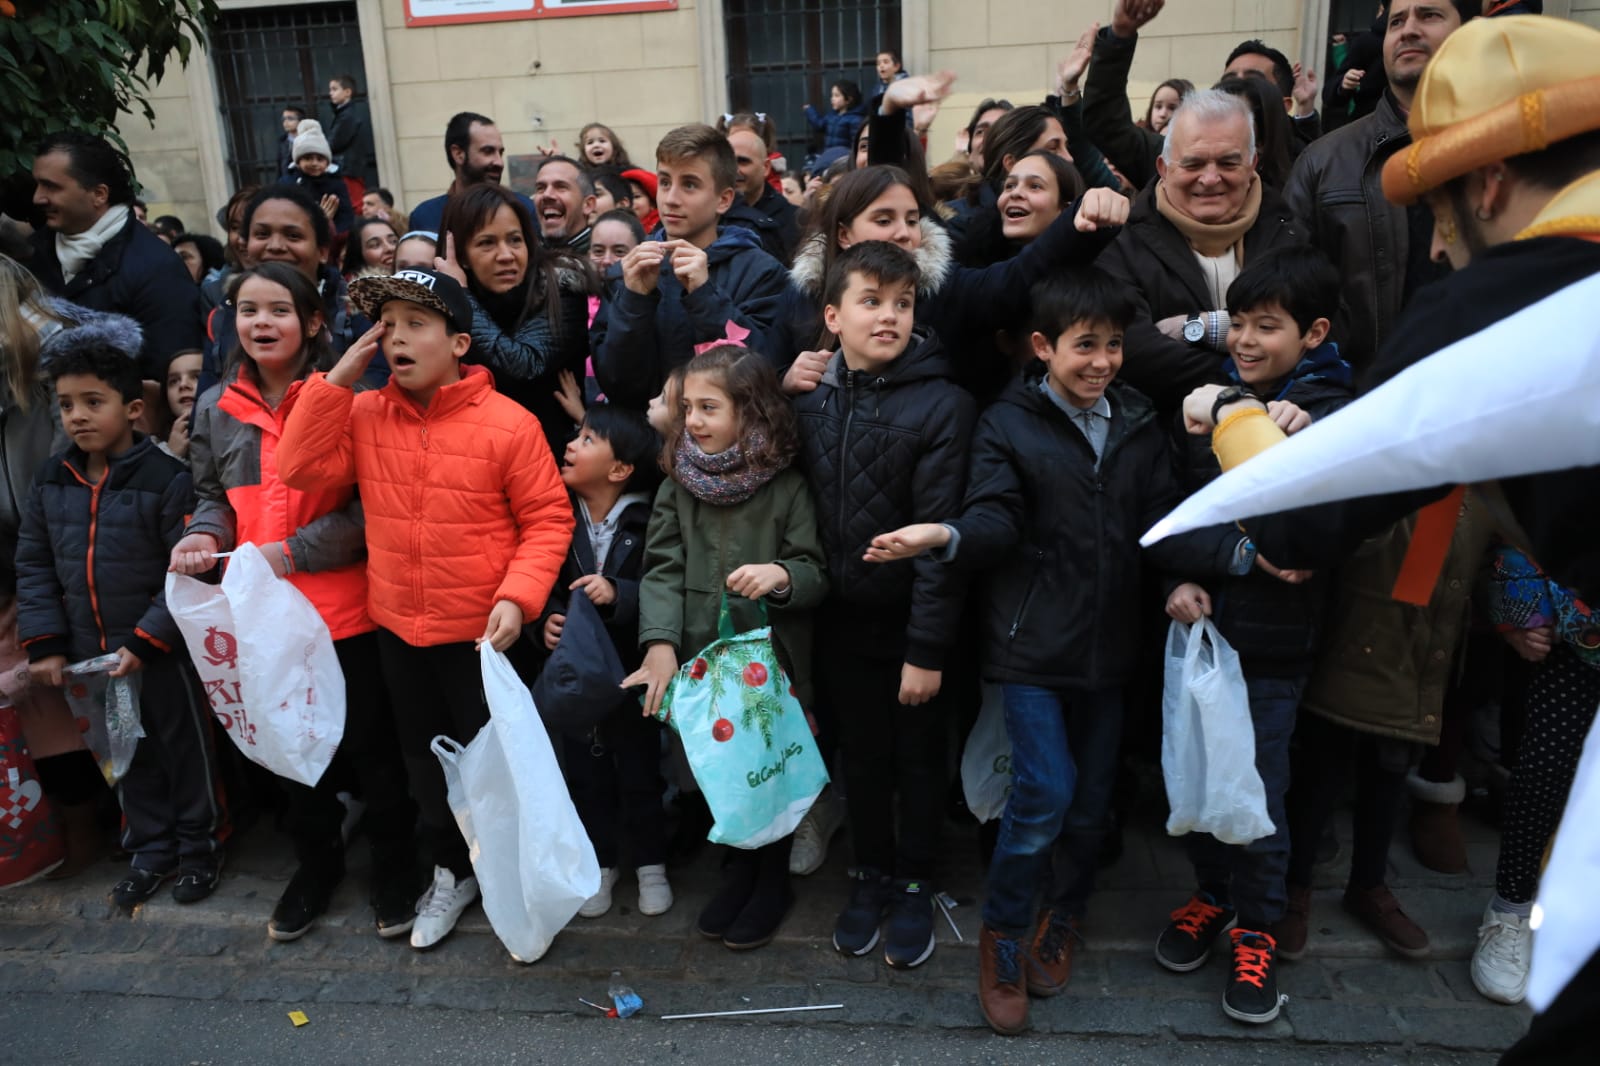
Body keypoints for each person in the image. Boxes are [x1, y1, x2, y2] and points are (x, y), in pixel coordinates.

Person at [1171, 16, 1600, 1059]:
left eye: (1440, 207)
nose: (1440, 246)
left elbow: (1304, 519)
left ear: (1489, 181)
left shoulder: (1507, 292)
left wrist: (1224, 414)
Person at [863, 268, 1243, 1035]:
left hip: (1112, 648)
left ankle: (1061, 917)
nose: (1099, 360)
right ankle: (1002, 934)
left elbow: (1163, 518)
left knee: (1092, 806)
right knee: (1042, 796)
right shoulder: (1007, 423)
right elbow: (995, 518)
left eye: (1110, 346)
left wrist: (1197, 570)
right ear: (1043, 348)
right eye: (1082, 347)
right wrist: (950, 535)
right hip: (1031, 647)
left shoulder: (1139, 417)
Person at [277, 267, 572, 952]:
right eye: (388, 327)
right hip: (399, 633)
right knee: (424, 768)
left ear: (460, 342)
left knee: (495, 767)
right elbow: (297, 469)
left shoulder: (509, 423)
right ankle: (450, 872)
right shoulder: (364, 411)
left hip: (482, 638)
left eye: (417, 325)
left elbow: (548, 518)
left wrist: (518, 597)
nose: (397, 340)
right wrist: (336, 380)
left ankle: (516, 876)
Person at [170, 261, 419, 943]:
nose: (262, 323)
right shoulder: (216, 406)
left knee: (372, 748)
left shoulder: (353, 395)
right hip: (261, 617)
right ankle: (316, 865)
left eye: (278, 310)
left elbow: (376, 508)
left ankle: (397, 866)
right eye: (248, 310)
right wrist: (200, 538)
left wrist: (293, 554)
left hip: (347, 610)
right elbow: (212, 498)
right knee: (285, 750)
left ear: (312, 322)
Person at [1155, 247, 1358, 1026]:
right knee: (1202, 775)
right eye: (1237, 322)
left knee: (1259, 791)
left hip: (1276, 648)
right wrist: (1187, 572)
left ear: (1312, 333)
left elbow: (1298, 539)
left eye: (1265, 326)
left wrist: (1254, 429)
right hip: (1205, 633)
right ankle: (1210, 895)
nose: (1243, 339)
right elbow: (1171, 515)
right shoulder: (1212, 400)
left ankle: (1257, 928)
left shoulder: (1332, 411)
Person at [792, 242, 975, 970]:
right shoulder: (810, 399)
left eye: (903, 303)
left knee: (920, 761)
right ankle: (868, 873)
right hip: (839, 620)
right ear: (833, 316)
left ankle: (914, 878)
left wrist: (926, 650)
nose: (890, 316)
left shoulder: (943, 404)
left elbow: (939, 542)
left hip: (911, 623)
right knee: (860, 759)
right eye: (872, 301)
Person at [622, 344, 827, 951]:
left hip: (771, 667)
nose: (694, 422)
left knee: (769, 770)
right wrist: (659, 643)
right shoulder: (678, 483)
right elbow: (660, 567)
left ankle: (771, 880)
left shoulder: (786, 487)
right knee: (718, 772)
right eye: (688, 408)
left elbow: (814, 568)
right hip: (700, 663)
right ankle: (738, 869)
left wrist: (782, 576)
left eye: (709, 407)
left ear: (753, 413)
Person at [15, 338, 225, 911]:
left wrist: (146, 640)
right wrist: (48, 644)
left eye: (92, 401)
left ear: (132, 409)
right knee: (122, 752)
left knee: (184, 751)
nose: (77, 416)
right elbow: (33, 562)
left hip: (157, 653)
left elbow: (184, 573)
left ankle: (200, 848)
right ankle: (150, 851)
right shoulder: (52, 479)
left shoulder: (166, 478)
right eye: (65, 405)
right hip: (92, 654)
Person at [777, 163, 1127, 403]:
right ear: (844, 234)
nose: (903, 233)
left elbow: (1015, 279)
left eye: (912, 220)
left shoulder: (945, 288)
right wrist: (785, 381)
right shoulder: (801, 294)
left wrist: (1077, 222)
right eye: (884, 220)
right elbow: (756, 378)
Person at [0, 256, 129, 881]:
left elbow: (58, 485)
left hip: (56, 560)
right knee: (37, 707)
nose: (78, 411)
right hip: (22, 560)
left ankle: (118, 825)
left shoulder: (47, 363)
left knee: (82, 708)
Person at [1284, 0, 1477, 375]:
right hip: (1363, 395)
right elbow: (1289, 293)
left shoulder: (1518, 149)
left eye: (1429, 15)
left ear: (1470, 31)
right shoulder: (1323, 161)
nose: (1407, 30)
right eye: (1396, 21)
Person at [1096, 89, 1310, 417]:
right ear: (1164, 167)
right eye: (1193, 163)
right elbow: (1131, 346)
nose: (1210, 179)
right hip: (1163, 443)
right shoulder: (1122, 243)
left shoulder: (1291, 233)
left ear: (1252, 164)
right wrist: (1240, 385)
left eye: (1228, 162)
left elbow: (1311, 328)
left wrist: (1198, 328)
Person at [539, 405, 669, 919]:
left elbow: (664, 582)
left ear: (620, 470)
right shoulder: (555, 515)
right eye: (576, 435)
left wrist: (620, 592)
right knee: (584, 776)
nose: (571, 445)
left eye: (588, 439)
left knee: (641, 771)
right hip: (575, 681)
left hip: (631, 672)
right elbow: (540, 582)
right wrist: (542, 621)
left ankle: (651, 864)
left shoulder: (650, 516)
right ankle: (600, 863)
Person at [591, 124, 790, 410]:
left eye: (690, 184)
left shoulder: (761, 272)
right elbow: (615, 381)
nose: (671, 198)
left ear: (723, 199)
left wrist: (704, 295)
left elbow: (766, 370)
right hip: (645, 443)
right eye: (664, 182)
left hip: (728, 446)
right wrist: (634, 300)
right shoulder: (629, 270)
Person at [1083, 0, 1321, 192]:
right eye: (1229, 80)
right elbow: (1106, 124)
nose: (1209, 179)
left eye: (1252, 79)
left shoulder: (1309, 171)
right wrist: (1120, 36)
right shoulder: (1173, 152)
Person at [26, 130, 203, 381]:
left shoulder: (158, 268)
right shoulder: (30, 256)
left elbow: (169, 373)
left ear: (99, 194)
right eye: (38, 184)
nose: (38, 198)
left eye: (52, 187)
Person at [437, 184, 590, 458]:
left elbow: (524, 365)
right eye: (487, 243)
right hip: (472, 459)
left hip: (550, 460)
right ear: (461, 257)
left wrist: (462, 298)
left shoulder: (558, 286)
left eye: (515, 240)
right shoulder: (443, 302)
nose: (506, 255)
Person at [202, 185, 377, 392]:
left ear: (322, 251)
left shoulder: (361, 313)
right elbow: (205, 410)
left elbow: (377, 403)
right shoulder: (222, 317)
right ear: (246, 245)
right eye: (262, 234)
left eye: (293, 236)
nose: (275, 245)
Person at [408, 113, 536, 235]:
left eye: (500, 152)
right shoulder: (426, 217)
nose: (499, 162)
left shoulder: (523, 208)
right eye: (487, 151)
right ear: (458, 154)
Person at [722, 115, 800, 264]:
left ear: (765, 168)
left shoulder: (796, 220)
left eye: (743, 161)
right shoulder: (708, 216)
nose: (734, 170)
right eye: (729, 162)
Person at [281, 120, 355, 241]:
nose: (314, 163)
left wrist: (336, 236)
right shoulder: (287, 184)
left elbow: (346, 217)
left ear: (327, 162)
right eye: (308, 158)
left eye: (320, 159)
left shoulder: (336, 184)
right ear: (298, 162)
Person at [532, 155, 596, 258]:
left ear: (588, 205)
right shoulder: (525, 258)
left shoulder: (606, 261)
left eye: (560, 187)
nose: (547, 195)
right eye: (541, 188)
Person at [326, 74, 378, 191]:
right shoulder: (344, 113)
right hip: (348, 168)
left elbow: (334, 143)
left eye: (334, 89)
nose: (330, 93)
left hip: (347, 169)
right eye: (330, 90)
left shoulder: (347, 116)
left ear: (347, 92)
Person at [159, 350, 202, 462]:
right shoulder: (153, 451)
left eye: (197, 377)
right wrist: (171, 453)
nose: (183, 385)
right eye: (174, 381)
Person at [804, 80, 868, 153]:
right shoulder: (832, 115)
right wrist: (810, 111)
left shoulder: (855, 119)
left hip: (843, 158)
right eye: (832, 95)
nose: (832, 99)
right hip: (829, 155)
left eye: (836, 96)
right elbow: (820, 124)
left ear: (849, 99)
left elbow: (856, 143)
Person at [621, 167, 659, 233]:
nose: (629, 202)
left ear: (652, 203)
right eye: (624, 198)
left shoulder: (660, 228)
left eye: (636, 196)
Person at [278, 105, 306, 179]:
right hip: (285, 181)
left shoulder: (307, 139)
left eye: (290, 118)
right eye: (283, 119)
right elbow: (280, 165)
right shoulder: (283, 141)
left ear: (300, 121)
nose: (285, 122)